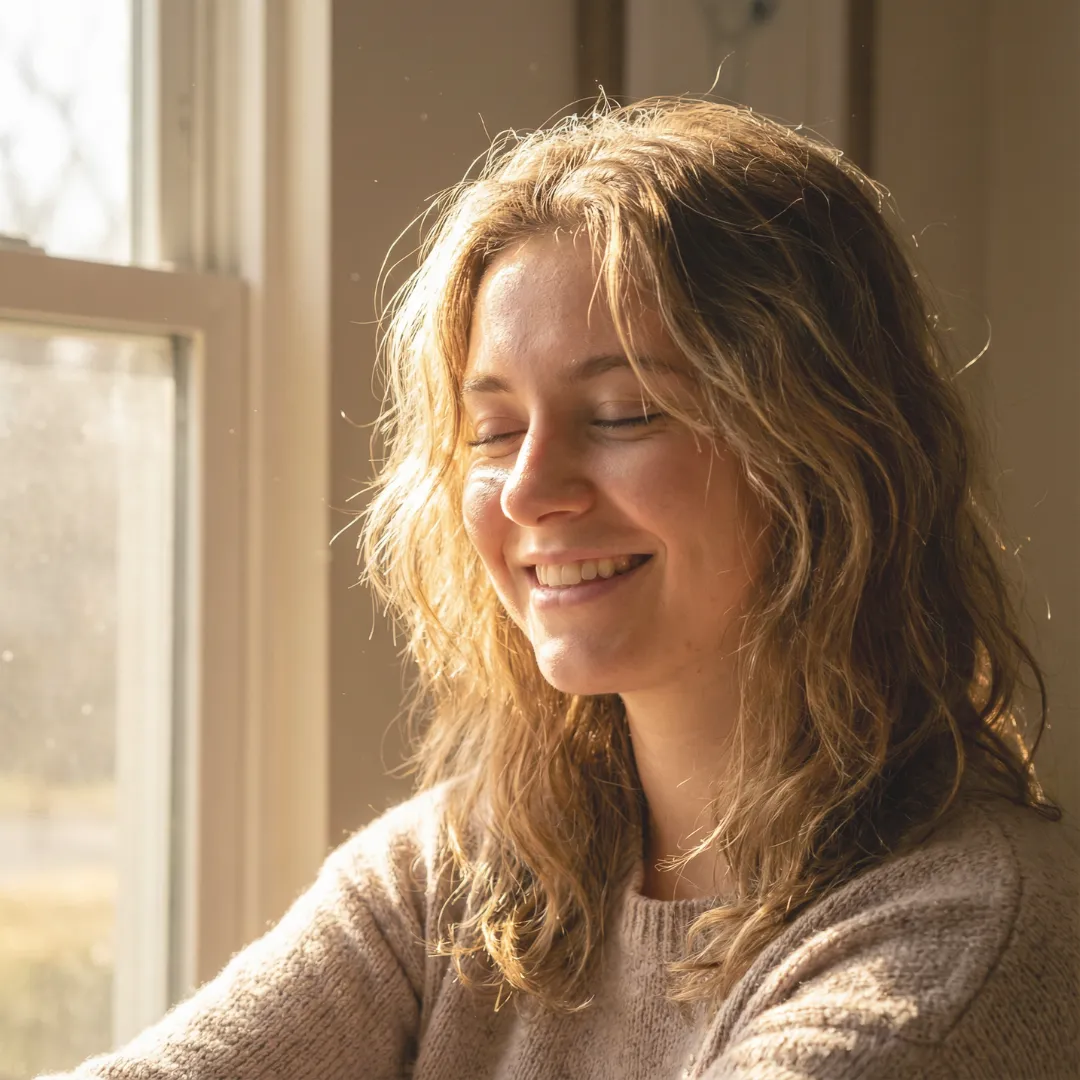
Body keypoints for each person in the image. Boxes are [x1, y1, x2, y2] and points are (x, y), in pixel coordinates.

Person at [48, 99, 1077, 1080]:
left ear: (826, 451)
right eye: (493, 431)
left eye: (625, 412)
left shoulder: (964, 934)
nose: (532, 490)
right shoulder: (450, 871)